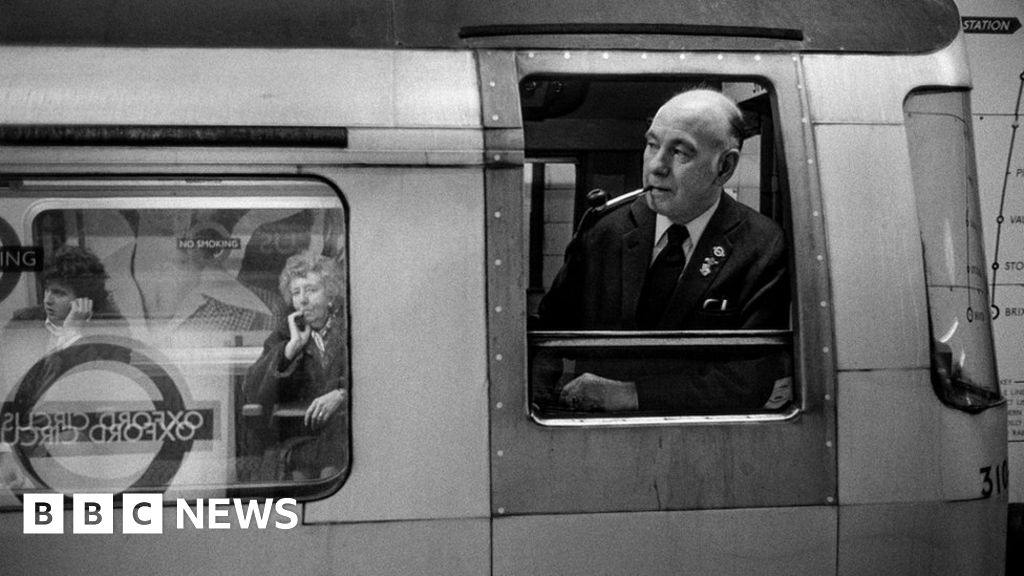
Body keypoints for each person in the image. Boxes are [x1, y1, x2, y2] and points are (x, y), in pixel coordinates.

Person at [534, 88, 790, 413]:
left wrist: (631, 395)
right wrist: (539, 391)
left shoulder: (761, 246)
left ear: (724, 167)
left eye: (680, 152)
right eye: (652, 145)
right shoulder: (604, 231)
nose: (657, 166)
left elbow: (748, 379)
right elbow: (551, 329)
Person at [243, 250, 347, 480]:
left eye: (311, 290)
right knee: (300, 472)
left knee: (330, 469)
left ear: (330, 296)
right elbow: (253, 390)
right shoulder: (284, 334)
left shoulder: (350, 328)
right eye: (296, 292)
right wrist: (290, 349)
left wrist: (341, 394)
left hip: (344, 437)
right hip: (298, 438)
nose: (303, 299)